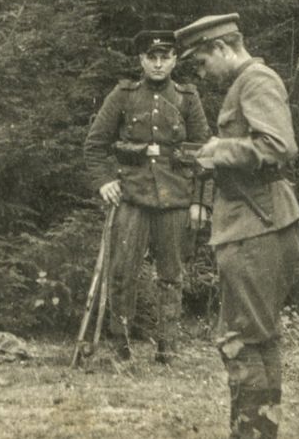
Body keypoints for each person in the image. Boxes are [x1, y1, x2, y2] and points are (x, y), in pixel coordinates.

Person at [176, 13, 299, 439]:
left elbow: (279, 146)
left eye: (201, 63)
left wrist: (218, 150)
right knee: (257, 338)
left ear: (221, 48)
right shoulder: (247, 83)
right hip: (255, 222)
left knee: (243, 340)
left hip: (256, 226)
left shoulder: (256, 81)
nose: (201, 74)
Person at [83, 28, 211, 362]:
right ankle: (120, 345)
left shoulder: (187, 98)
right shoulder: (124, 95)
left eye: (164, 57)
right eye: (151, 57)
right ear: (141, 60)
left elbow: (205, 153)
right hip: (132, 196)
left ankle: (167, 347)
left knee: (171, 275)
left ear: (174, 60)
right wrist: (104, 181)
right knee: (122, 271)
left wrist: (201, 202)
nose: (157, 64)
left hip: (175, 197)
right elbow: (95, 145)